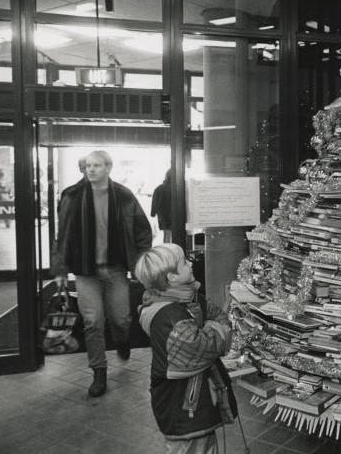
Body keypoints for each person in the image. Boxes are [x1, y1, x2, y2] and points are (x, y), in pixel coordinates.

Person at [50, 150, 152, 397]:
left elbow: (142, 230)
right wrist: (60, 269)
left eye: (96, 165)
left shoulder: (124, 196)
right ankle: (99, 371)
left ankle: (122, 340)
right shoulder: (72, 196)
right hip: (86, 273)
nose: (91, 169)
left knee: (121, 319)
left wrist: (139, 263)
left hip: (116, 270)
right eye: (87, 165)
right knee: (93, 321)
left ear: (108, 167)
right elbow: (62, 235)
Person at [135, 244, 236, 454]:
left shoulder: (189, 299)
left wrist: (211, 326)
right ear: (171, 277)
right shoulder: (168, 318)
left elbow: (217, 315)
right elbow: (205, 346)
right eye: (184, 262)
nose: (190, 263)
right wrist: (217, 328)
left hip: (194, 403)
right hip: (182, 408)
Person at [151, 169, 172, 243]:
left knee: (167, 236)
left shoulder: (159, 188)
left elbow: (154, 203)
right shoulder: (178, 188)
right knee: (175, 237)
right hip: (175, 218)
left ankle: (168, 252)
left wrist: (153, 213)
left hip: (163, 218)